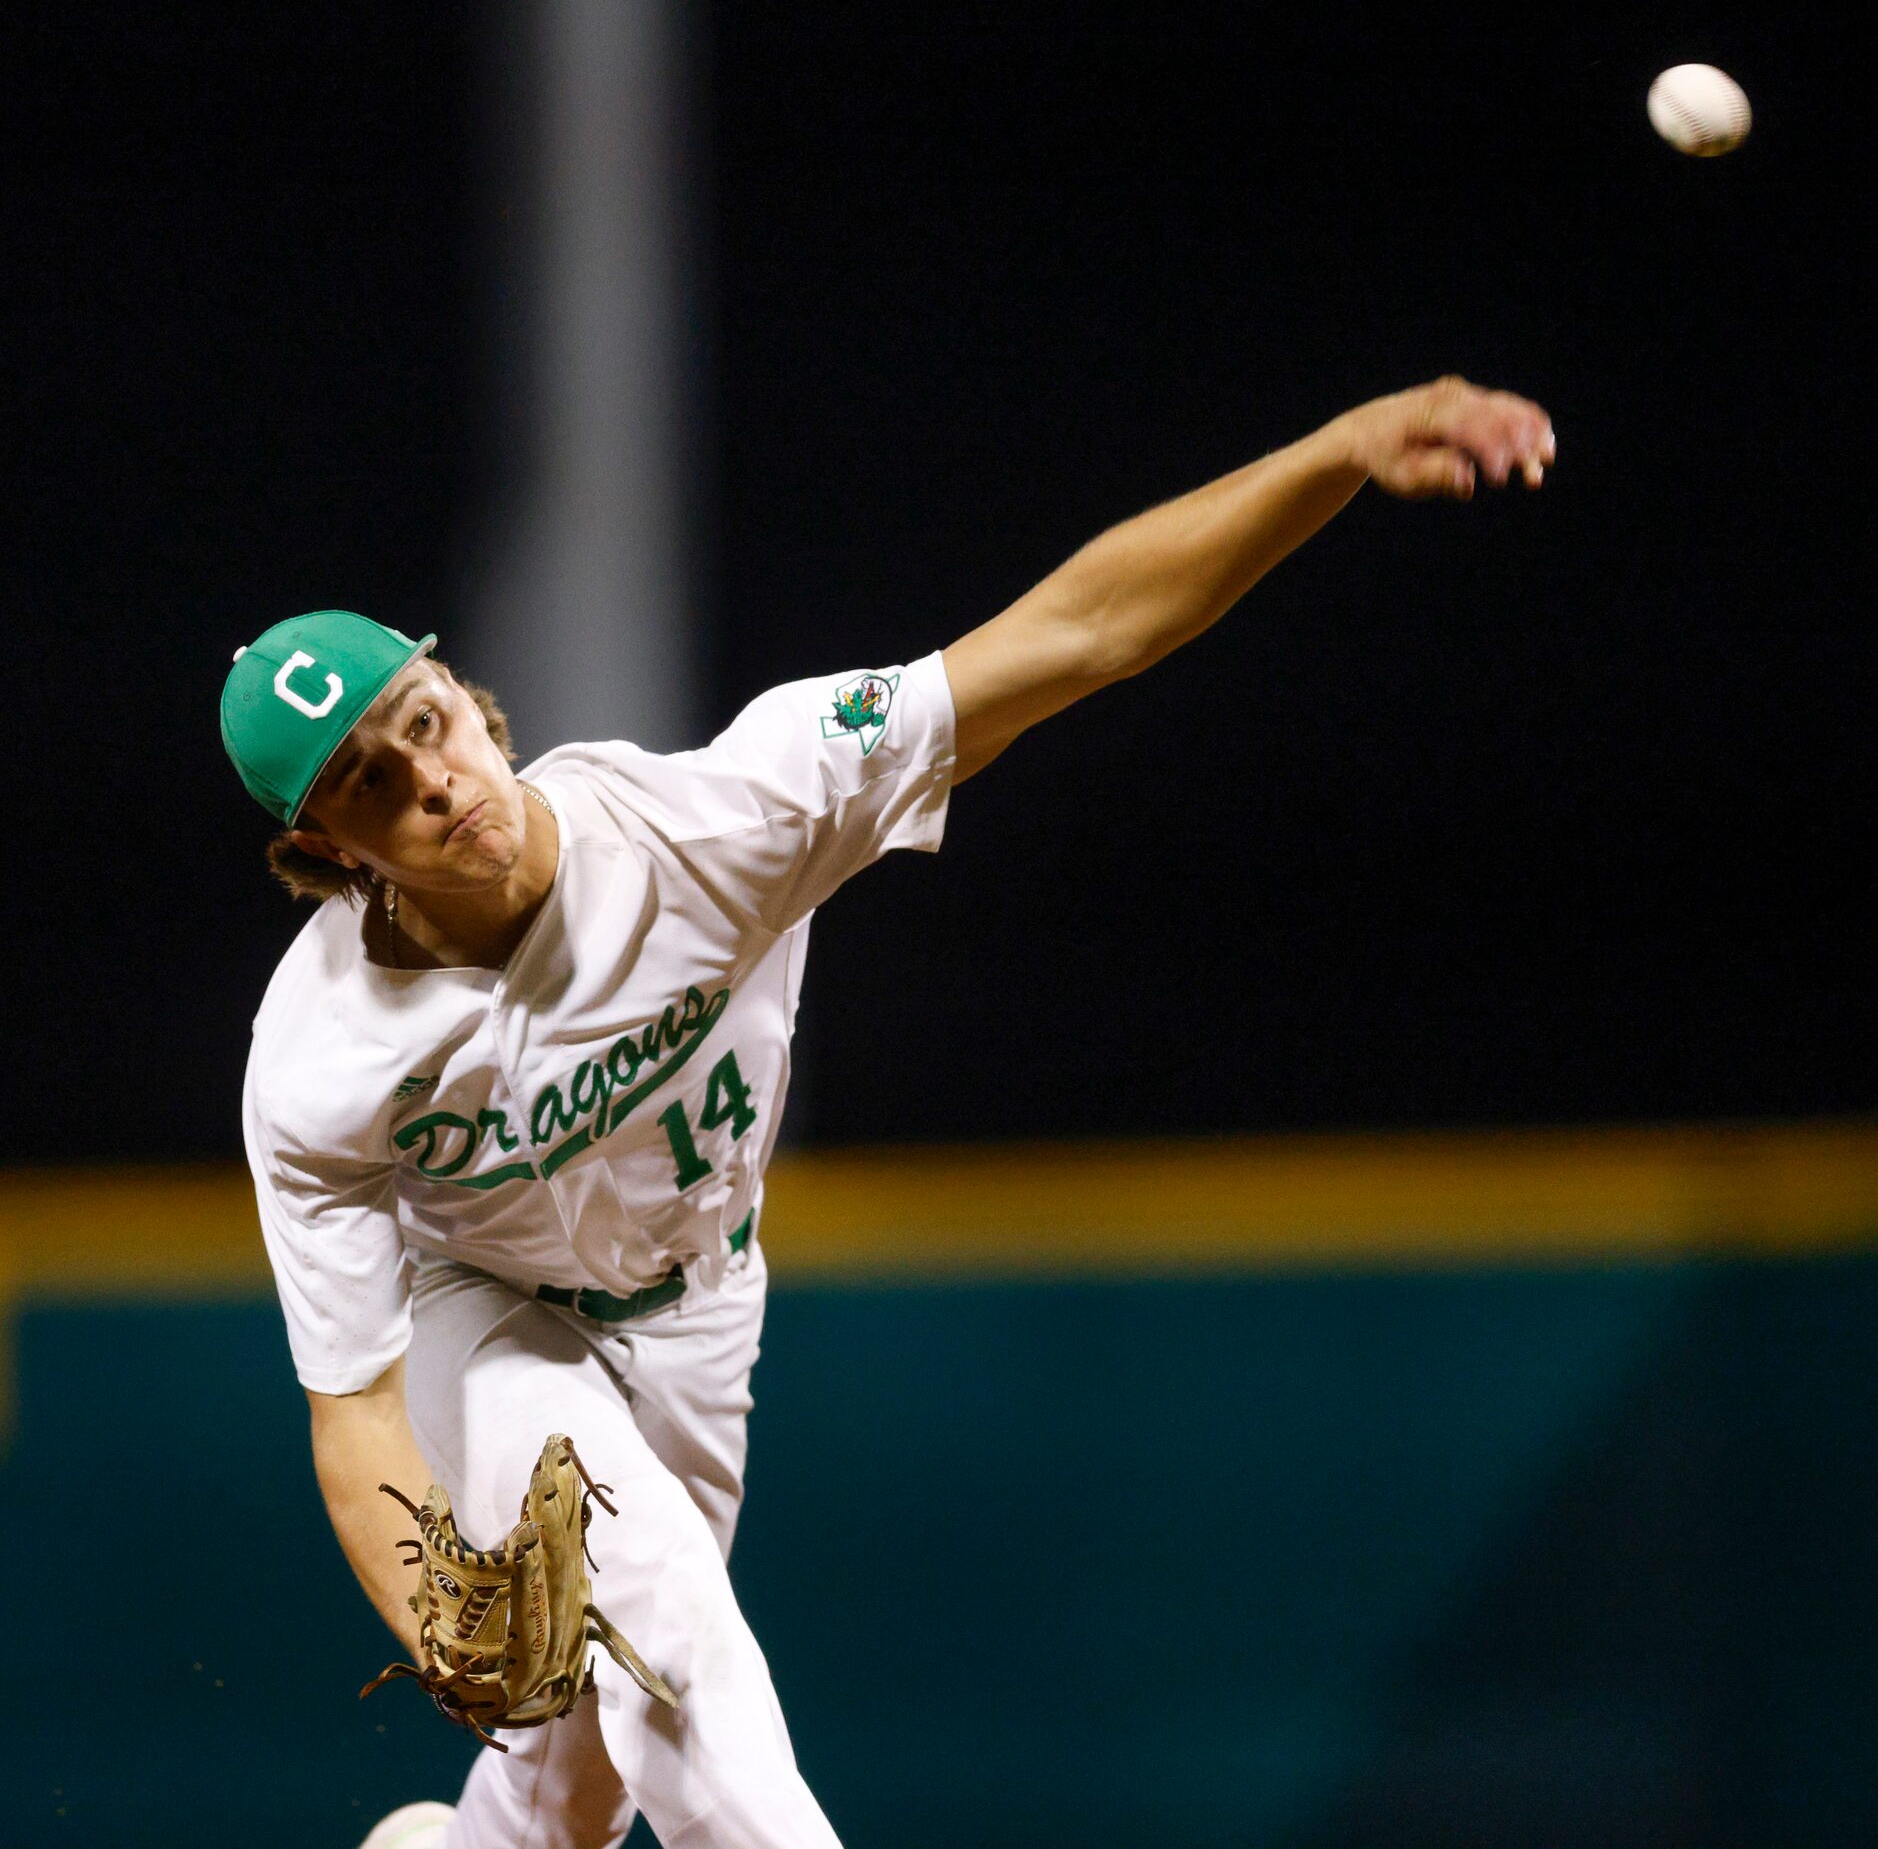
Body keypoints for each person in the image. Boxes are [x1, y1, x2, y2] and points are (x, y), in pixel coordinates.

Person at [224, 376, 1553, 1849]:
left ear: (464, 693)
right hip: (495, 1318)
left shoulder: (722, 818)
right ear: (323, 847)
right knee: (679, 1646)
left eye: (422, 722)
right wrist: (437, 1617)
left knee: (575, 1791)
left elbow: (1081, 634)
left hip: (698, 1308)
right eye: (368, 781)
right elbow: (352, 1406)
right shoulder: (320, 1060)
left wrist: (1333, 452)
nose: (429, 778)